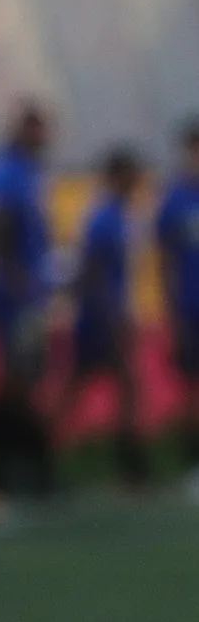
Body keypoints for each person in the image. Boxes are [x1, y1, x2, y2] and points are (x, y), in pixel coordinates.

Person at [0, 104, 56, 491]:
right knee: (18, 377)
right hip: (16, 293)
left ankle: (14, 463)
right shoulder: (9, 171)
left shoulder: (29, 171)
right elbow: (2, 224)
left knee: (27, 376)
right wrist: (13, 276)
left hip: (31, 289)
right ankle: (8, 462)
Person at [65, 146, 145, 480]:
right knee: (123, 385)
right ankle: (128, 463)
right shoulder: (105, 217)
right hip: (98, 318)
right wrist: (111, 317)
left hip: (104, 314)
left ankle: (49, 453)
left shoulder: (119, 215)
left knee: (90, 384)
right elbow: (93, 271)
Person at [154, 120, 199, 487]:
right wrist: (170, 306)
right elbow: (165, 257)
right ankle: (193, 461)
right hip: (190, 306)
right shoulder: (175, 199)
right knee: (192, 386)